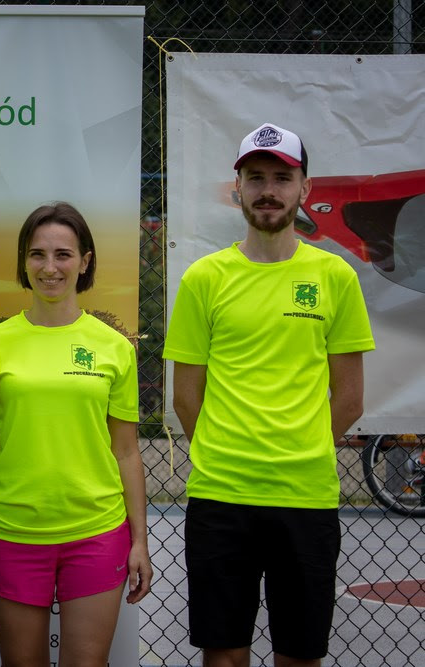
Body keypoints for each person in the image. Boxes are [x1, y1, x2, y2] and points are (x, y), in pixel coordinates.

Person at [164, 123, 375, 667]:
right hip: (221, 495)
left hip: (305, 496)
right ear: (238, 187)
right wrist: (225, 451)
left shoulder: (334, 276)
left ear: (306, 188)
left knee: (299, 656)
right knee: (224, 655)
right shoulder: (204, 278)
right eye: (256, 177)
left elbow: (349, 397)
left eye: (283, 178)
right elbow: (186, 397)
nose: (268, 190)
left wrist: (300, 448)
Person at [0, 202, 153, 667]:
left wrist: (140, 541)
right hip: (11, 533)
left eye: (63, 255)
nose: (50, 267)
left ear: (85, 262)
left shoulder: (114, 347)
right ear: (24, 263)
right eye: (37, 254)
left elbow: (126, 451)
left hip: (96, 533)